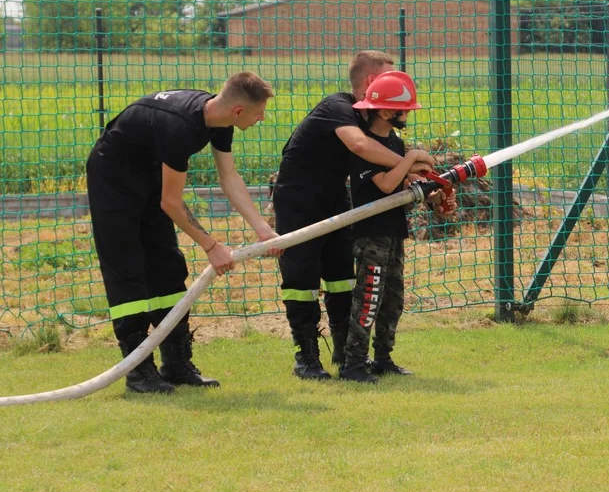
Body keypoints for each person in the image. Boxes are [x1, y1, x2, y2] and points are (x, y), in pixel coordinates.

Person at [86, 72, 280, 395]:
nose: (261, 118)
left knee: (167, 266)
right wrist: (211, 245)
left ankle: (175, 363)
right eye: (259, 113)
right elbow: (171, 202)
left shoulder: (218, 121)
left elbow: (229, 178)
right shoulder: (181, 127)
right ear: (238, 112)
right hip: (112, 178)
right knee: (127, 269)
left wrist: (263, 230)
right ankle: (138, 372)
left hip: (147, 174)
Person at [273, 51, 436, 381]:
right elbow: (361, 147)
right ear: (370, 83)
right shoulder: (338, 108)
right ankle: (306, 358)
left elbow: (383, 160)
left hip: (337, 202)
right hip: (299, 203)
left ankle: (347, 355)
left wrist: (421, 176)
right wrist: (409, 161)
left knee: (341, 279)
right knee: (302, 282)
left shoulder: (377, 124)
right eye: (388, 78)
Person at [339, 70, 456, 384]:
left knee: (393, 299)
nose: (407, 115)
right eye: (404, 110)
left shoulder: (394, 141)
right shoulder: (366, 145)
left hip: (393, 232)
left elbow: (403, 189)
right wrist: (411, 157)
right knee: (369, 297)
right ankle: (353, 365)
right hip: (370, 235)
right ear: (388, 111)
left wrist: (433, 195)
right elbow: (388, 184)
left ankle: (383, 359)